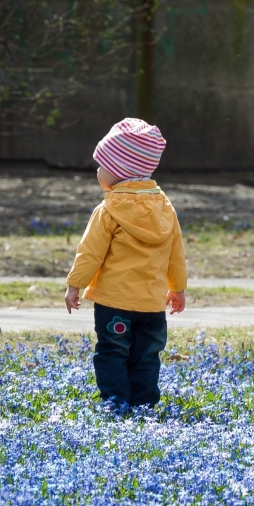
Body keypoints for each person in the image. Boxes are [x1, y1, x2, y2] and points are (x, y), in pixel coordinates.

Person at [64, 118, 187, 408]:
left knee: (112, 352)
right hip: (152, 304)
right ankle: (144, 404)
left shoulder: (108, 209)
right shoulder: (165, 207)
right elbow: (175, 251)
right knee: (146, 355)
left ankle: (116, 402)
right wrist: (177, 288)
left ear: (118, 171)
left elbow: (89, 253)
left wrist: (74, 285)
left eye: (102, 164)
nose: (97, 170)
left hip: (114, 302)